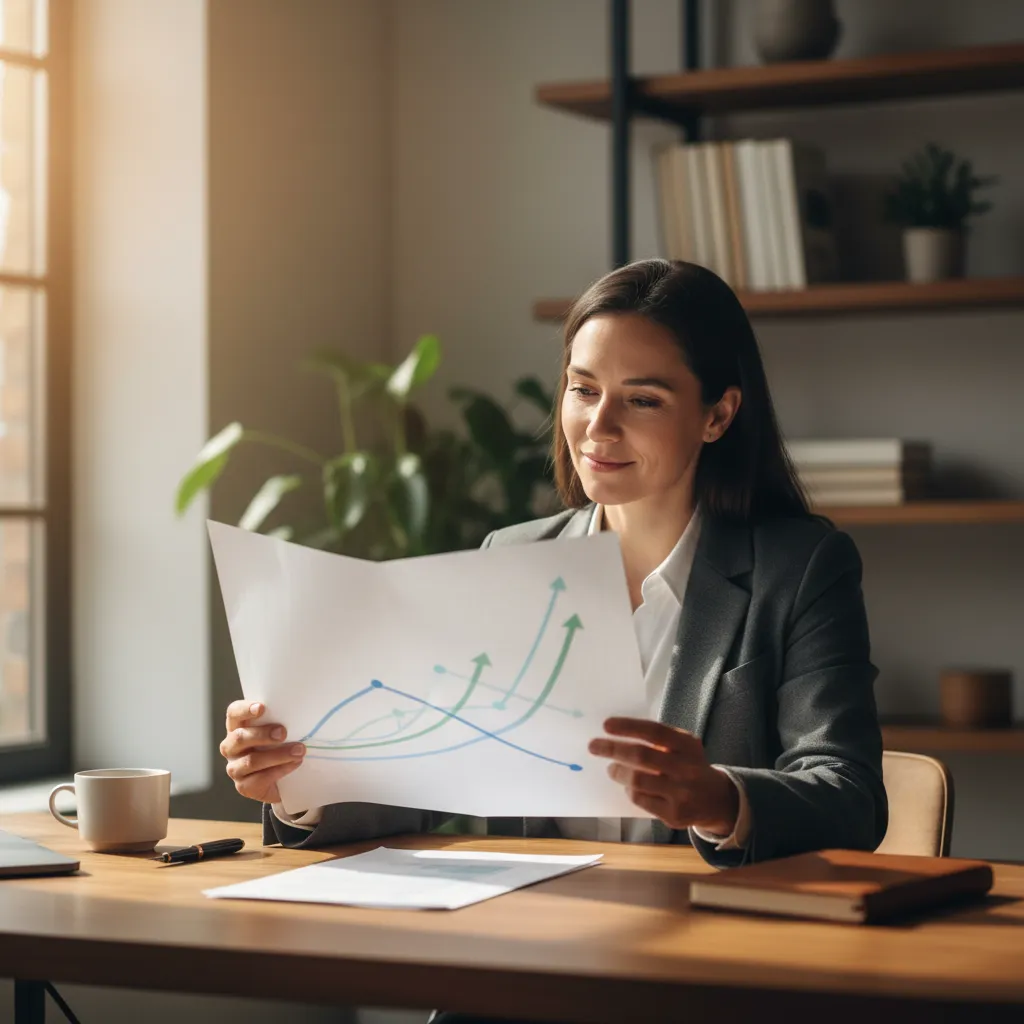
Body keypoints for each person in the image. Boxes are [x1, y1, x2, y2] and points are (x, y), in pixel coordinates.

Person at [220, 259, 887, 1021]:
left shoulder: (800, 567)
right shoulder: (513, 558)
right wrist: (300, 781)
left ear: (718, 414)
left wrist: (718, 797)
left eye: (642, 398)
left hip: (707, 974)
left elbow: (850, 797)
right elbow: (432, 772)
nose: (597, 429)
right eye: (582, 388)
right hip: (525, 962)